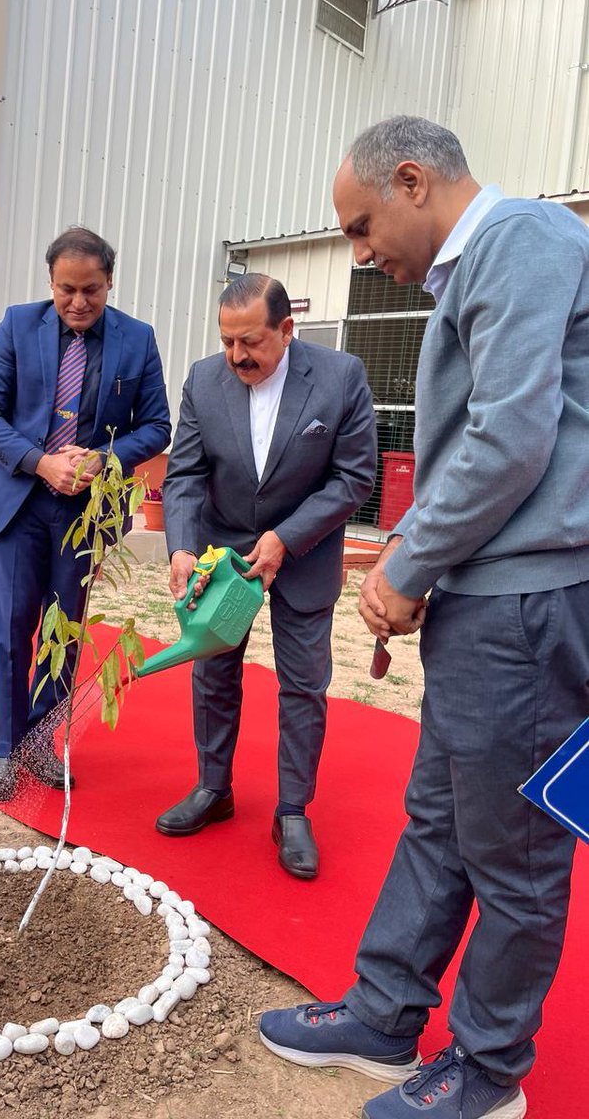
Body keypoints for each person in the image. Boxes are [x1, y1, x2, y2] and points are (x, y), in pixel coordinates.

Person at [259, 116, 589, 1118]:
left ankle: (489, 1074)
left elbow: (510, 437)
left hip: (530, 600)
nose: (362, 253)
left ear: (413, 181)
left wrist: (408, 561)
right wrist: (420, 564)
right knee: (441, 821)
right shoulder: (485, 265)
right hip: (491, 594)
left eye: (361, 228)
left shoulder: (521, 240)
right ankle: (387, 1009)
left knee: (519, 853)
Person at [156, 273, 377, 878]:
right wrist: (181, 547)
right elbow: (183, 475)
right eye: (227, 342)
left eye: (250, 342)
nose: (236, 357)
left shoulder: (340, 376)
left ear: (286, 329)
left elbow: (355, 477)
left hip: (302, 554)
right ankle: (213, 788)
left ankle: (292, 811)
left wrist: (287, 538)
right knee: (213, 676)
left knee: (303, 686)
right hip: (221, 557)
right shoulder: (205, 379)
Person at [0, 226, 171, 801]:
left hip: (86, 514)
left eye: (92, 290)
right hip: (20, 502)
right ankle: (5, 750)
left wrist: (103, 458)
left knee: (65, 633)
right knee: (10, 631)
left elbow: (157, 426)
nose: (78, 302)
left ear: (110, 283)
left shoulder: (137, 339)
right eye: (66, 289)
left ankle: (41, 742)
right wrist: (40, 463)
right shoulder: (16, 324)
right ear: (50, 283)